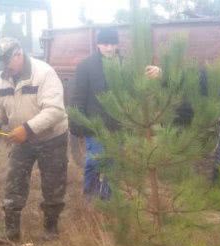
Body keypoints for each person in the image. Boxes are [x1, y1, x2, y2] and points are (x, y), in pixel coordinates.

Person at [0, 37, 69, 242]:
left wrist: (28, 128)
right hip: (21, 139)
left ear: (18, 54)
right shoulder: (0, 76)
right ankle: (11, 232)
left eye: (7, 63)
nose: (4, 69)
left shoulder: (44, 73)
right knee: (14, 183)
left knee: (53, 184)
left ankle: (51, 229)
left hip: (52, 137)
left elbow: (55, 110)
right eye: (1, 64)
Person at [69, 27, 161, 200]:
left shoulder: (125, 65)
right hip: (95, 126)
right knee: (95, 161)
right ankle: (91, 198)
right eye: (105, 44)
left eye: (113, 44)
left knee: (114, 163)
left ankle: (108, 199)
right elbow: (78, 97)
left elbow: (137, 89)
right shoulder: (86, 66)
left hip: (118, 125)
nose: (109, 48)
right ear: (98, 44)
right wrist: (76, 124)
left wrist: (156, 74)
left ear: (117, 44)